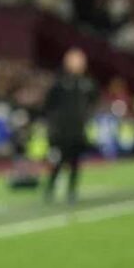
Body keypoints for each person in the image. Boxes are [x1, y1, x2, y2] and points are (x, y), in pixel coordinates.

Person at [44, 48, 97, 204]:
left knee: (75, 161)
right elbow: (49, 105)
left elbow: (93, 101)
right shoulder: (60, 83)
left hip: (78, 129)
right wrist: (54, 125)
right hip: (61, 130)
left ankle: (71, 190)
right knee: (58, 161)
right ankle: (50, 188)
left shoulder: (87, 84)